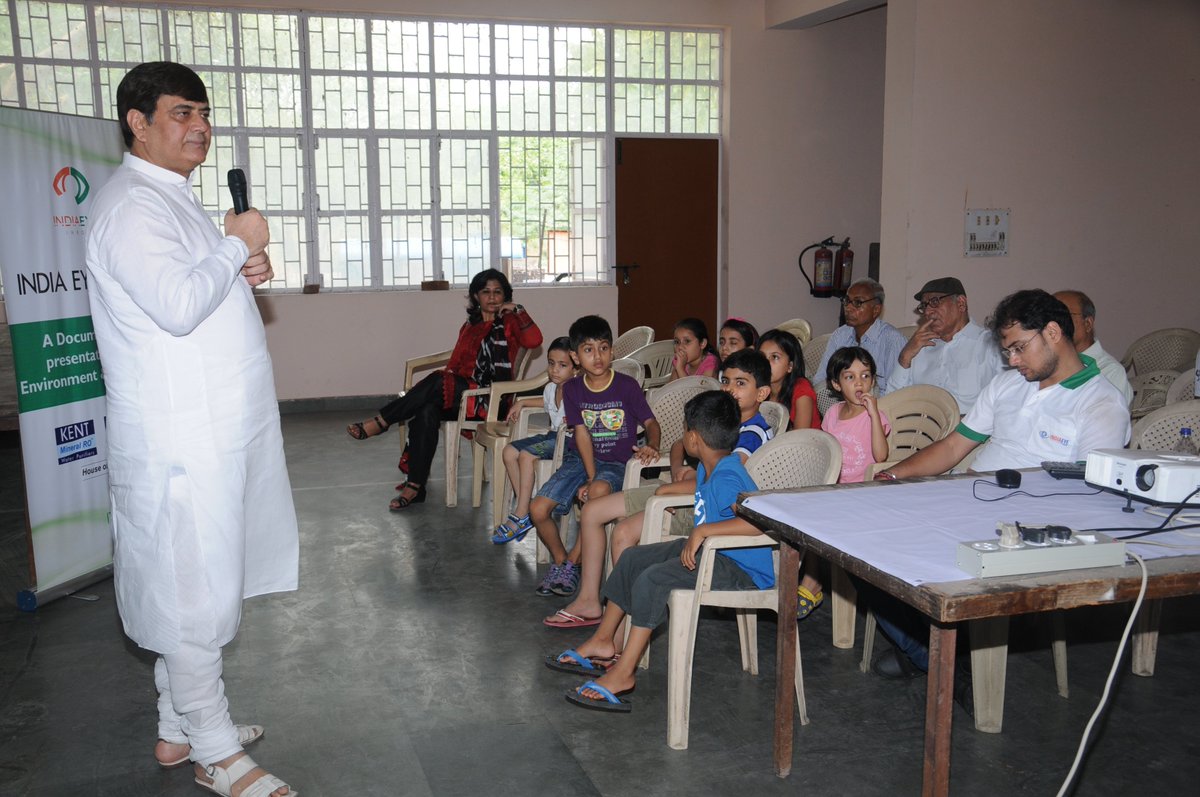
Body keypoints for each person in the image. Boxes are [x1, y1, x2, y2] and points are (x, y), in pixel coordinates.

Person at [85, 62, 298, 797]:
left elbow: (188, 292)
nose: (200, 127)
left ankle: (178, 725)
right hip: (177, 438)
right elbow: (177, 306)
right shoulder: (128, 207)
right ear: (137, 123)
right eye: (182, 113)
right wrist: (236, 246)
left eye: (204, 113)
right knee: (191, 594)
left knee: (199, 581)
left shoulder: (170, 198)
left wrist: (234, 265)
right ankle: (214, 749)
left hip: (213, 430)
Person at [868, 290, 1131, 704]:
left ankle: (934, 654)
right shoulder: (1009, 384)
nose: (1012, 360)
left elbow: (1086, 495)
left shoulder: (1100, 403)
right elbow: (954, 446)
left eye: (1019, 348)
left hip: (1026, 522)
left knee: (924, 555)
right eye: (1007, 351)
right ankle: (933, 656)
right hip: (970, 498)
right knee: (864, 543)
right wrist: (891, 475)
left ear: (1053, 332)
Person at [543, 391, 773, 713]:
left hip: (740, 569)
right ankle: (605, 639)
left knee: (653, 579)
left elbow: (758, 523)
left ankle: (624, 672)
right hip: (714, 554)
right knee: (633, 559)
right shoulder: (712, 465)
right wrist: (668, 490)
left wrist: (703, 531)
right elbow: (702, 489)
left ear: (693, 438)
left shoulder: (729, 476)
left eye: (684, 429)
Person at [543, 349, 773, 630]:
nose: (729, 389)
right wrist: (677, 469)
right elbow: (678, 445)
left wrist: (673, 487)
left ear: (762, 393)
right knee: (592, 510)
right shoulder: (720, 414)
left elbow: (720, 485)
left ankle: (624, 626)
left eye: (740, 383)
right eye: (726, 381)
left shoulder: (749, 434)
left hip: (698, 507)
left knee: (624, 533)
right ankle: (589, 600)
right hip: (683, 490)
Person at [346, 268, 542, 511]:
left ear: (506, 296)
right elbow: (456, 363)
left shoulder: (509, 322)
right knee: (427, 410)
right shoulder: (470, 325)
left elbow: (534, 341)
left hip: (490, 399)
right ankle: (415, 486)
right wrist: (449, 383)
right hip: (464, 395)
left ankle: (381, 421)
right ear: (476, 296)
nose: (492, 297)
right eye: (486, 292)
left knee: (439, 380)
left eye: (498, 292)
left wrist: (519, 310)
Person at [529, 315, 660, 598]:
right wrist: (589, 475)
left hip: (616, 463)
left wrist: (652, 444)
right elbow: (582, 434)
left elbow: (651, 422)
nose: (597, 356)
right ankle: (563, 562)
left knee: (597, 492)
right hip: (581, 459)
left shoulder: (626, 386)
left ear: (612, 351)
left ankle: (571, 564)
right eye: (588, 350)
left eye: (603, 348)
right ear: (576, 357)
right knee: (537, 509)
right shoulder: (573, 389)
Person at [795, 347, 891, 619]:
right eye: (850, 377)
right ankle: (801, 576)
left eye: (865, 375)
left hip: (861, 492)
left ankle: (811, 583)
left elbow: (881, 456)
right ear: (836, 385)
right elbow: (827, 451)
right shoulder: (833, 413)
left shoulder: (875, 416)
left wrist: (874, 415)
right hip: (834, 487)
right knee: (802, 512)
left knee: (818, 517)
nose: (859, 383)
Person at [490, 336, 578, 544]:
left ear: (575, 368)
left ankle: (521, 513)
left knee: (527, 455)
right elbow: (545, 402)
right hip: (553, 436)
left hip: (569, 442)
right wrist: (522, 403)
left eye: (562, 365)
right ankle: (527, 508)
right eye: (551, 363)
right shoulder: (551, 388)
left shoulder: (578, 390)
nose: (555, 370)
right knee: (509, 452)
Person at [886, 277, 1004, 413]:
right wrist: (904, 357)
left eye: (934, 302)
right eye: (924, 306)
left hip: (968, 424)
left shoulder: (990, 344)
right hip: (920, 424)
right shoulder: (919, 347)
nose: (928, 312)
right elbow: (891, 402)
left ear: (961, 303)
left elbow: (1006, 400)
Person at [815, 278, 908, 395]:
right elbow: (821, 380)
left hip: (880, 404)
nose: (848, 308)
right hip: (840, 402)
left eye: (857, 303)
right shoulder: (840, 335)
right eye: (847, 301)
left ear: (876, 310)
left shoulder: (893, 340)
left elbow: (896, 393)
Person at [1053, 289, 1133, 406]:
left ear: (1087, 324)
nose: (1054, 324)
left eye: (1064, 316)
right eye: (1049, 317)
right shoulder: (1046, 365)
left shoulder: (1109, 371)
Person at [758, 328, 820, 429]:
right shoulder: (756, 386)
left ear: (790, 366)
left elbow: (800, 435)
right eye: (761, 356)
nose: (766, 363)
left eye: (775, 357)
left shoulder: (802, 389)